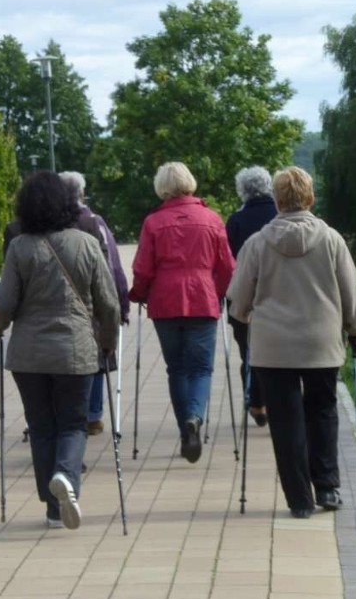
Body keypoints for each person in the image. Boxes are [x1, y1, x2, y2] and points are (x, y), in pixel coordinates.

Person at [227, 166, 356, 518]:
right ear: (311, 198)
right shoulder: (332, 240)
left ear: (276, 201)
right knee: (322, 410)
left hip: (273, 348)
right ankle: (328, 486)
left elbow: (239, 299)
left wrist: (242, 318)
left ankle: (299, 500)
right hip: (321, 343)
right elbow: (350, 292)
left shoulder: (257, 243)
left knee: (285, 420)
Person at [0, 170, 120, 530]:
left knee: (41, 426)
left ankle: (52, 508)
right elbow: (108, 304)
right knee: (73, 424)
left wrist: (0, 324)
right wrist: (107, 343)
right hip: (76, 349)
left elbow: (3, 304)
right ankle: (65, 475)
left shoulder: (19, 247)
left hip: (28, 355)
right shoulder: (85, 243)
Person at [128, 161, 235, 464]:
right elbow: (228, 266)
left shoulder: (153, 223)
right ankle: (195, 417)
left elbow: (143, 268)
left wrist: (138, 294)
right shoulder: (212, 219)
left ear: (162, 187)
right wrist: (217, 292)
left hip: (165, 301)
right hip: (202, 298)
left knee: (176, 369)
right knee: (201, 368)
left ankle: (184, 429)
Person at [60, 171, 130, 436]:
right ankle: (93, 414)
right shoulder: (93, 221)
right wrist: (120, 303)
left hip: (57, 305)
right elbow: (112, 265)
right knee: (98, 354)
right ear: (82, 193)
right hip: (91, 303)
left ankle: (74, 414)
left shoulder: (46, 223)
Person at [225, 166, 278, 427]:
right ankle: (276, 403)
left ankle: (257, 402)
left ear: (242, 190)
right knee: (279, 352)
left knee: (249, 352)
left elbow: (229, 262)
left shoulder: (235, 221)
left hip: (245, 298)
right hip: (279, 296)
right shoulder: (280, 215)